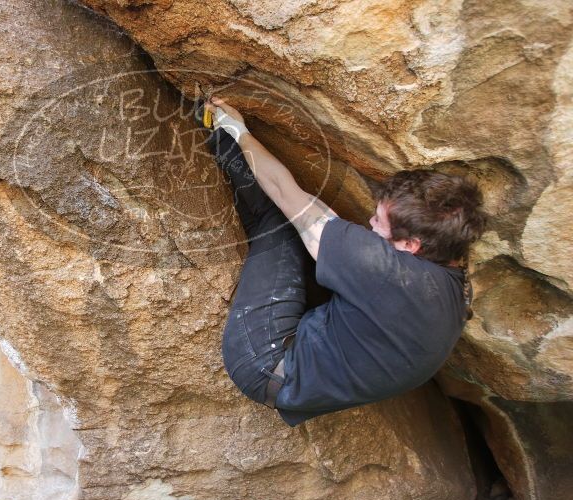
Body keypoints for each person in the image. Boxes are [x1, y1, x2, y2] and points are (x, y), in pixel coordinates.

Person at [198, 96, 487, 426]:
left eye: (379, 221)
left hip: (263, 362)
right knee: (308, 232)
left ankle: (212, 130)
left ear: (410, 245)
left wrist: (236, 128)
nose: (369, 220)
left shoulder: (387, 274)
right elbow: (324, 219)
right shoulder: (454, 279)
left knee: (279, 220)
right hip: (310, 381)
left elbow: (283, 191)